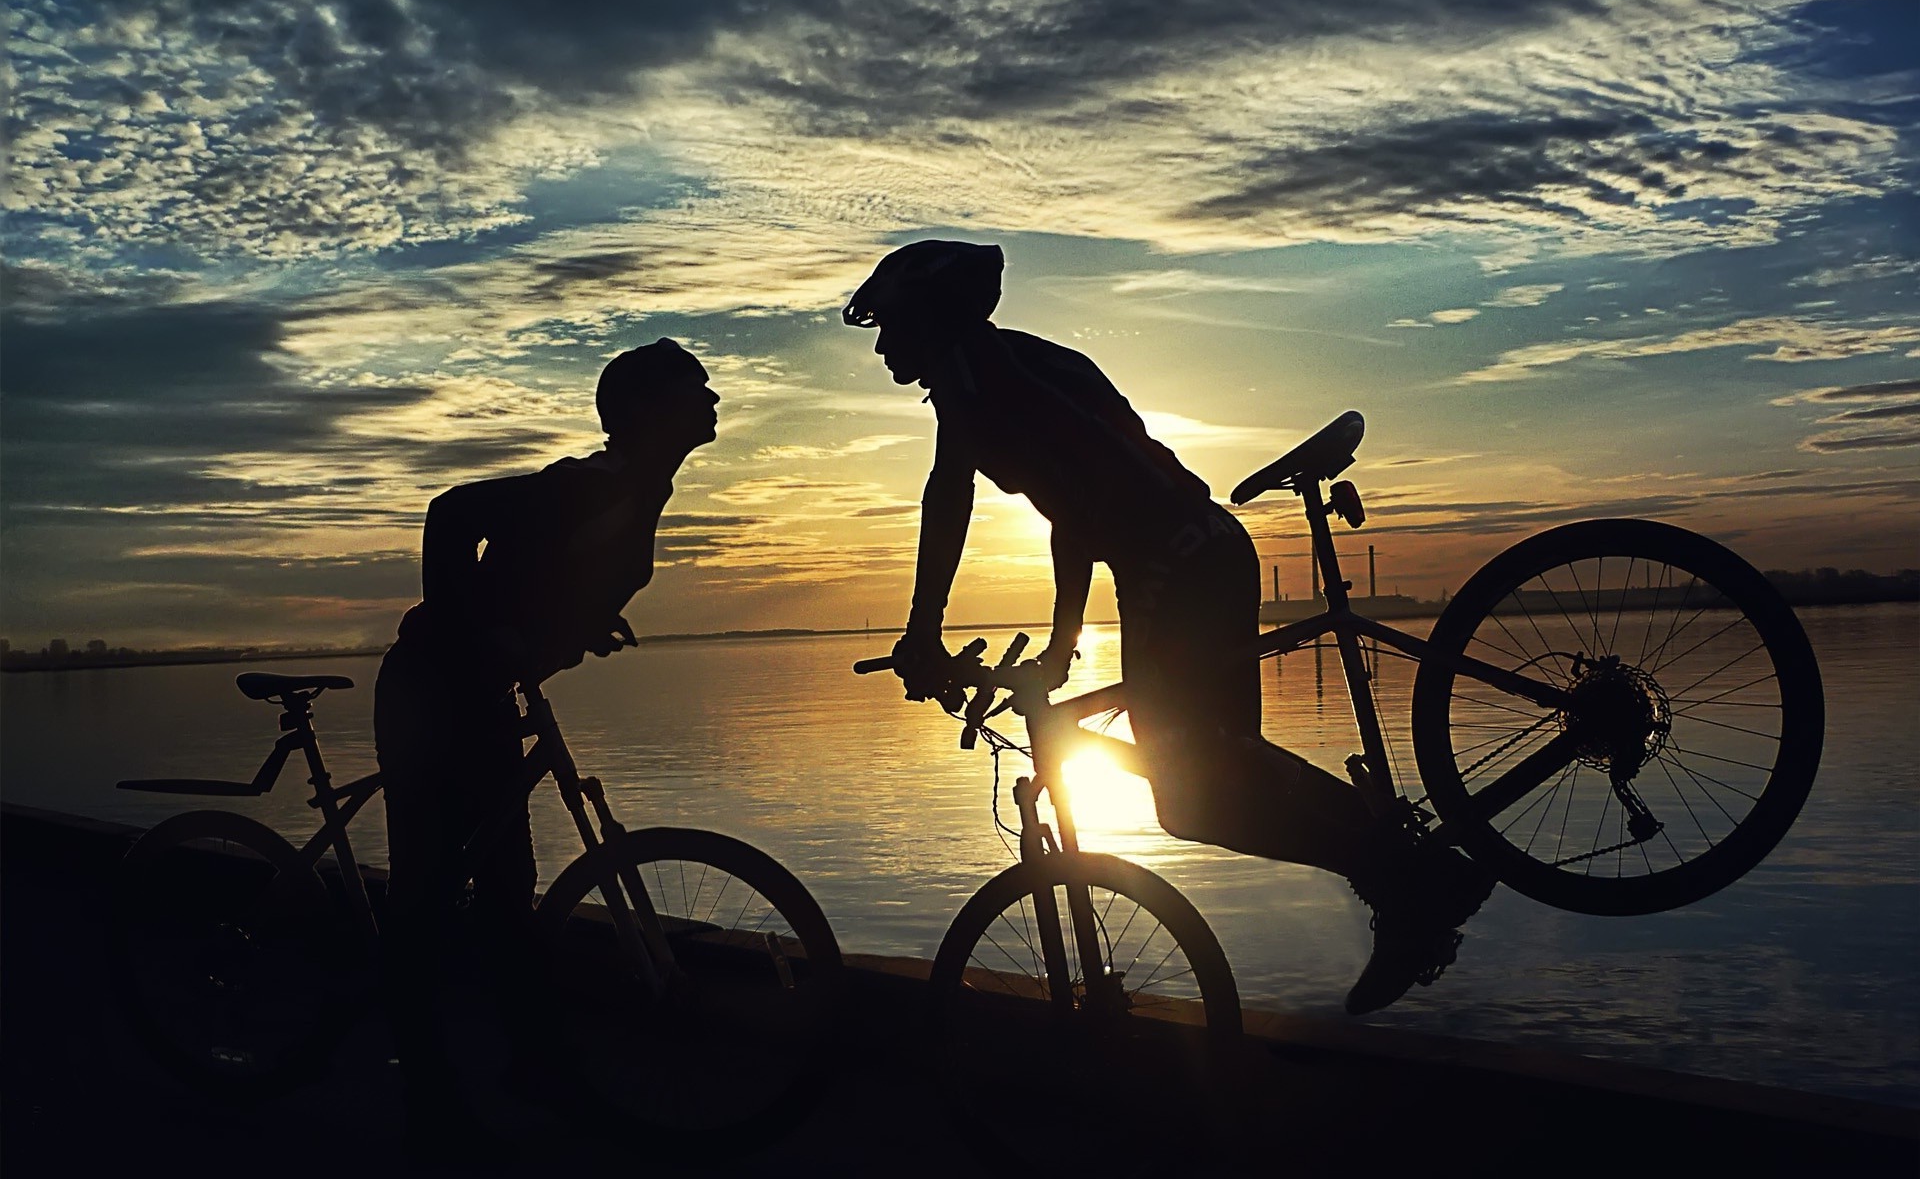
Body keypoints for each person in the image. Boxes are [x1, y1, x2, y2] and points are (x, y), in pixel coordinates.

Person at [843, 240, 1492, 1015]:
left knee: (1195, 800)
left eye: (891, 326)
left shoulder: (977, 384)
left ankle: (1404, 879)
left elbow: (955, 500)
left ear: (933, 319)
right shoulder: (1014, 368)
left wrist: (930, 634)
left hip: (1174, 567)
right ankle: (1411, 869)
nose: (882, 345)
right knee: (1226, 773)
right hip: (1201, 552)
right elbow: (1070, 513)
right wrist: (1058, 642)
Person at [374, 338, 719, 1150]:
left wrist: (579, 624)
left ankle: (531, 1063)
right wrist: (481, 634)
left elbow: (544, 577)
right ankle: (427, 1099)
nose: (712, 401)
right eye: (693, 389)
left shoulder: (637, 494)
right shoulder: (589, 487)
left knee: (505, 891)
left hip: (478, 693)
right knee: (425, 897)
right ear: (643, 412)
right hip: (432, 691)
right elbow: (452, 514)